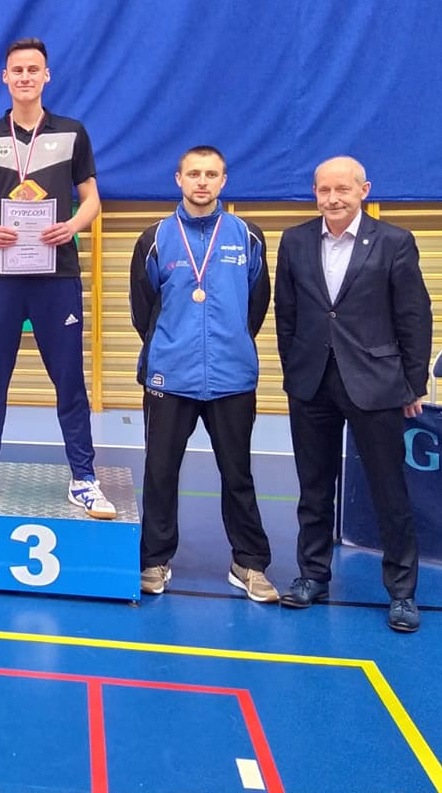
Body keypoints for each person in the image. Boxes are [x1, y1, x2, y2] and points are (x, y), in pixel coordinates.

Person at [0, 38, 114, 518]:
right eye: (17, 70)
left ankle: (84, 479)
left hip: (56, 273)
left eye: (33, 69)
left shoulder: (73, 134)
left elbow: (92, 200)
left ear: (46, 76)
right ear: (5, 77)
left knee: (69, 379)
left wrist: (72, 226)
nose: (25, 77)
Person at [275, 156, 432, 632]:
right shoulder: (295, 241)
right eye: (324, 190)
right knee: (314, 488)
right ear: (315, 193)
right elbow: (286, 313)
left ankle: (402, 592)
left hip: (376, 384)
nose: (333, 198)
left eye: (342, 189)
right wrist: (295, 369)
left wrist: (413, 383)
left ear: (364, 190)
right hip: (311, 384)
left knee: (389, 492)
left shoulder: (395, 242)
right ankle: (312, 575)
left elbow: (414, 316)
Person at [129, 146, 276, 601]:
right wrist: (174, 347)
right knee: (160, 473)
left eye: (211, 174)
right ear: (179, 179)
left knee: (238, 474)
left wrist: (230, 343)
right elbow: (142, 310)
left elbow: (257, 304)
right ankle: (154, 559)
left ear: (223, 181)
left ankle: (248, 562)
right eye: (194, 173)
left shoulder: (247, 236)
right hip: (169, 377)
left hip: (232, 378)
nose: (202, 182)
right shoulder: (154, 238)